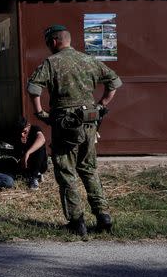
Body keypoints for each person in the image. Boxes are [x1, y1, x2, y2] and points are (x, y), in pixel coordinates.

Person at [27, 24, 122, 237]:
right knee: (89, 169)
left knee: (66, 170)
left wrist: (41, 113)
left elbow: (34, 88)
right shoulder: (89, 60)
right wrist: (101, 106)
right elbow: (114, 83)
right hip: (90, 122)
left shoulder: (51, 63)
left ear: (53, 41)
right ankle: (103, 216)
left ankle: (77, 221)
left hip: (64, 124)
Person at [15, 117, 48, 190]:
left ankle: (34, 176)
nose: (22, 135)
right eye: (20, 132)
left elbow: (42, 139)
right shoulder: (19, 134)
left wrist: (28, 153)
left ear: (28, 126)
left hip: (39, 163)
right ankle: (29, 175)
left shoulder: (35, 129)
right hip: (25, 164)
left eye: (24, 132)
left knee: (40, 146)